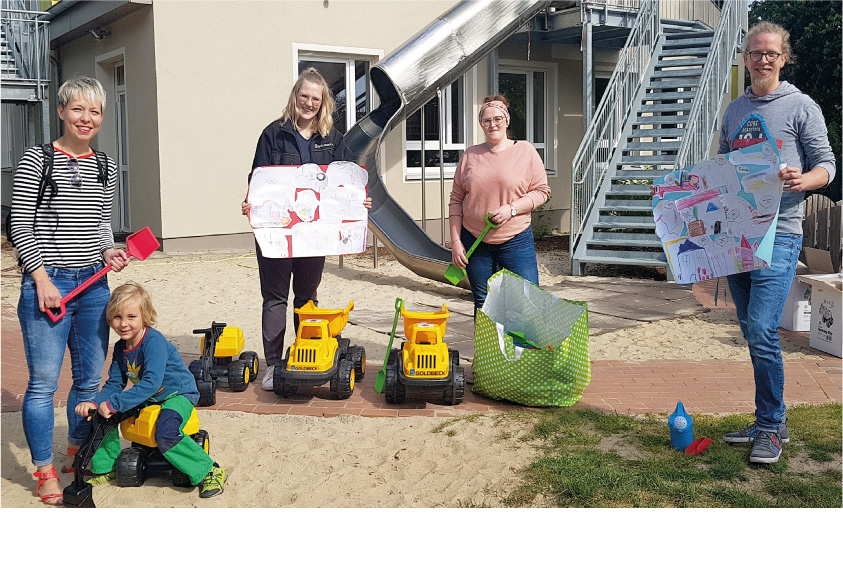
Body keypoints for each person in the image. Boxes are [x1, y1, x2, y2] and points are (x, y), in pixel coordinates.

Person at [651, 22, 835, 463]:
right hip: (736, 238)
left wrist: (803, 180)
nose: (762, 60)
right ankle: (769, 419)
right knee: (753, 332)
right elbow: (724, 168)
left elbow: (827, 165)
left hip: (781, 233)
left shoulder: (801, 106)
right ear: (745, 58)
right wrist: (689, 200)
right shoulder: (734, 111)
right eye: (755, 53)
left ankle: (770, 426)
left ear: (783, 57)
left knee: (761, 328)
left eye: (770, 53)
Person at [10, 76, 129, 505]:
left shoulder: (106, 165)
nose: (86, 118)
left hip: (94, 284)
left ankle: (79, 453)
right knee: (42, 383)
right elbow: (19, 224)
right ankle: (43, 469)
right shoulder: (37, 160)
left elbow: (100, 223)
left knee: (87, 382)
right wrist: (40, 279)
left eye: (94, 111)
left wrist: (110, 250)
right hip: (50, 283)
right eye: (78, 109)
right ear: (61, 111)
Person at [241, 67, 372, 391]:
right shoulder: (273, 135)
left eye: (315, 98)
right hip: (277, 234)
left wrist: (358, 203)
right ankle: (273, 365)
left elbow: (345, 182)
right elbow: (257, 180)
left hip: (315, 235)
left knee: (306, 297)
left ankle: (304, 355)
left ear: (323, 102)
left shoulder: (333, 138)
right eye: (304, 97)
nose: (309, 103)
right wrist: (251, 203)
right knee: (274, 298)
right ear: (295, 98)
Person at [75, 282, 227, 498]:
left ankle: (209, 470)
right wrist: (97, 402)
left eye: (131, 316)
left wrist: (115, 403)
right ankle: (107, 466)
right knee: (102, 416)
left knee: (165, 433)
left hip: (177, 394)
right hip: (152, 396)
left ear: (145, 316)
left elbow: (151, 383)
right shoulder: (121, 347)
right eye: (117, 317)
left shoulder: (153, 342)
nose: (123, 323)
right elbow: (115, 383)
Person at [449, 95, 551, 312]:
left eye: (497, 119)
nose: (492, 125)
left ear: (507, 120)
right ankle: (489, 347)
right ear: (481, 124)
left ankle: (524, 347)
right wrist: (456, 241)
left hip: (516, 241)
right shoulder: (470, 155)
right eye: (486, 120)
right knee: (484, 304)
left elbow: (542, 192)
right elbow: (456, 200)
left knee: (528, 302)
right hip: (475, 243)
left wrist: (511, 209)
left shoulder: (525, 151)